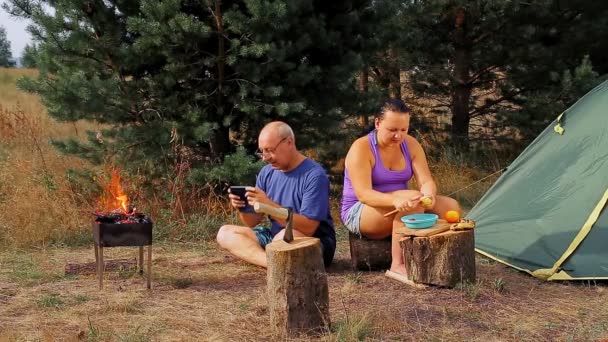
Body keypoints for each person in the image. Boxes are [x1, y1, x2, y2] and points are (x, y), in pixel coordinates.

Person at [340, 99, 460, 281]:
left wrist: (429, 194)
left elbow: (426, 180)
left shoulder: (411, 144)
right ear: (377, 123)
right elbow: (364, 195)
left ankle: (436, 256)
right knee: (413, 201)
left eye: (403, 130)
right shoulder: (361, 148)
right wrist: (395, 201)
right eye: (393, 130)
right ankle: (398, 265)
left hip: (403, 202)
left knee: (451, 207)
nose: (399, 136)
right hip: (361, 210)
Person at [217, 121, 336, 268]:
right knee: (225, 233)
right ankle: (272, 263)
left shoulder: (314, 175)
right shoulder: (267, 173)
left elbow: (308, 227)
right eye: (262, 151)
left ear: (289, 142)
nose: (265, 157)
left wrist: (269, 206)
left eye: (270, 150)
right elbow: (252, 222)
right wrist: (242, 207)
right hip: (276, 237)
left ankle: (276, 259)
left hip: (312, 240)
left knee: (281, 240)